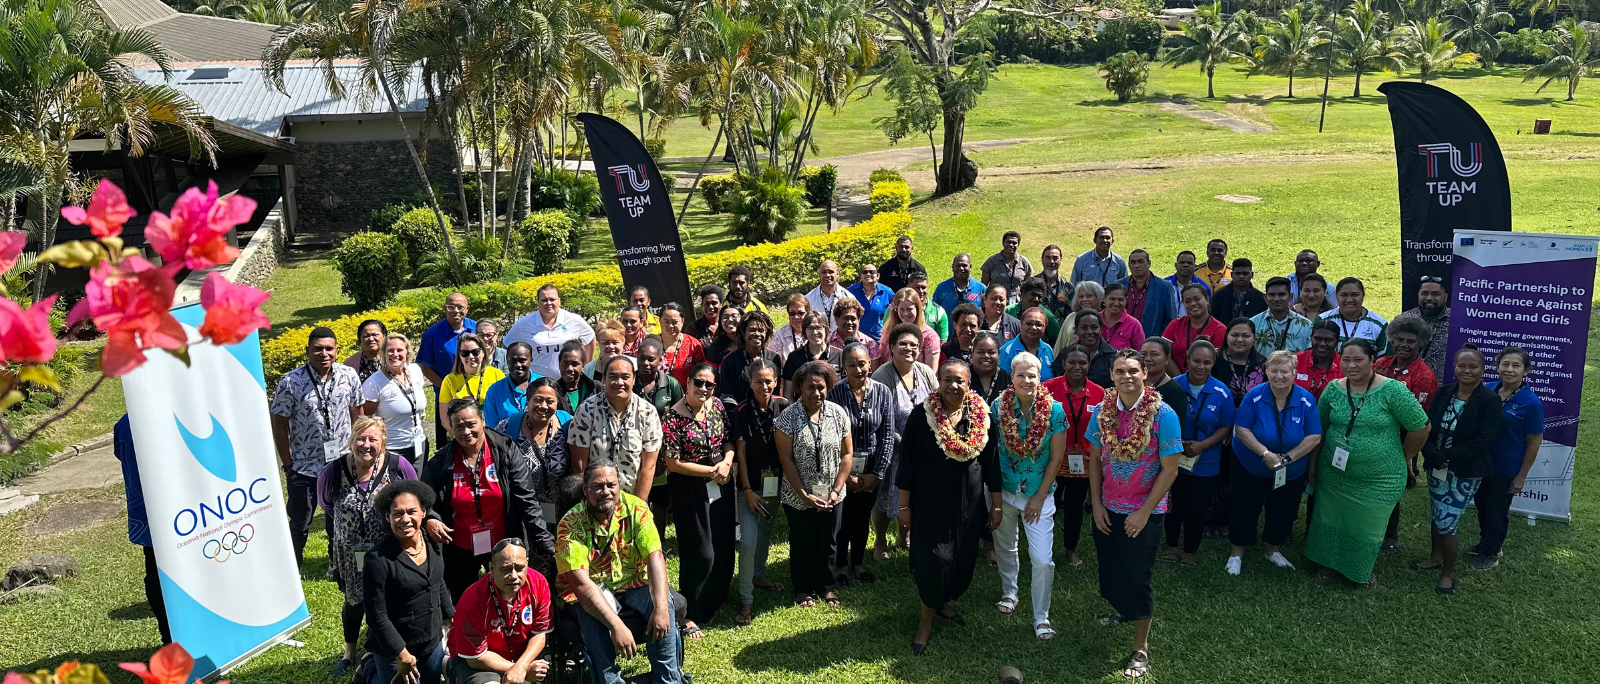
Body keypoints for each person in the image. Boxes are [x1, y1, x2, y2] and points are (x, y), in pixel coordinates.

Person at [1085, 350, 1182, 679]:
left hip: (1146, 511)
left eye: (1133, 370)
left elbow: (1170, 471)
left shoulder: (1163, 414)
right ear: (1111, 376)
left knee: (1137, 578)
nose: (1126, 376)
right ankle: (1125, 611)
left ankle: (1140, 648)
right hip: (1108, 508)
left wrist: (1143, 512)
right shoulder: (1101, 411)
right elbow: (1095, 460)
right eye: (1119, 371)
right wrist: (1096, 504)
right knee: (1111, 575)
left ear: (1145, 374)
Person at [1307, 339, 1430, 585]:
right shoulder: (1333, 389)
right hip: (1334, 474)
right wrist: (1312, 467)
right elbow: (1318, 430)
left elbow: (1421, 427)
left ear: (1373, 361)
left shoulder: (1393, 390)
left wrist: (1404, 456)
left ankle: (1356, 571)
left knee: (1366, 526)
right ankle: (1331, 565)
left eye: (1358, 360)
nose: (1351, 365)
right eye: (1346, 360)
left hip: (1379, 477)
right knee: (1332, 519)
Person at [899, 359, 999, 655]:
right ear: (938, 382)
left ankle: (941, 603)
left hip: (969, 506)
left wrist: (996, 505)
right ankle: (925, 622)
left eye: (960, 381)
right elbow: (906, 464)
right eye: (948, 379)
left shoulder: (981, 416)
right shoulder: (921, 417)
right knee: (935, 562)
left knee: (962, 563)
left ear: (970, 385)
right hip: (930, 503)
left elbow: (992, 463)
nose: (953, 385)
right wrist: (904, 508)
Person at [556, 462, 687, 684]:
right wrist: (617, 627)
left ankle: (668, 679)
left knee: (663, 602)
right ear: (586, 490)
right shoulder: (570, 524)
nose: (605, 491)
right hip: (592, 588)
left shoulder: (637, 509)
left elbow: (655, 557)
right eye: (597, 486)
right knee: (592, 613)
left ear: (619, 486)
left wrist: (661, 609)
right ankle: (611, 681)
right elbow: (581, 585)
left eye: (611, 485)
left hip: (633, 581)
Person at [422, 398, 556, 603]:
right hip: (461, 547)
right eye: (458, 427)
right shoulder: (440, 462)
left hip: (503, 541)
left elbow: (526, 500)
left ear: (483, 420)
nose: (466, 431)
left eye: (471, 424)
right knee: (465, 600)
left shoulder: (505, 451)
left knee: (508, 598)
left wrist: (544, 542)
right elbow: (425, 498)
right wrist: (430, 517)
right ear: (450, 430)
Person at [321, 417, 419, 676]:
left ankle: (391, 650)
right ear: (351, 441)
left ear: (383, 442)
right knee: (354, 603)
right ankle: (350, 653)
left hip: (390, 553)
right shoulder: (333, 471)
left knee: (393, 602)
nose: (366, 444)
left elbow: (415, 499)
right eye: (360, 439)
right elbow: (327, 506)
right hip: (350, 555)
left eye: (372, 439)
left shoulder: (399, 466)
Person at [271, 327, 364, 566]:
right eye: (318, 349)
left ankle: (337, 563)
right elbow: (279, 424)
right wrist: (288, 464)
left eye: (329, 348)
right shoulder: (290, 382)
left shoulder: (349, 376)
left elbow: (357, 415)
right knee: (301, 520)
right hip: (304, 466)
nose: (324, 353)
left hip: (341, 462)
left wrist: (359, 453)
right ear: (308, 351)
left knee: (340, 517)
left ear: (337, 350)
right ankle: (292, 564)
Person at [991, 352, 1066, 641]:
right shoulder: (998, 406)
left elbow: (1057, 456)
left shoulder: (1055, 410)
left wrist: (1039, 496)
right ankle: (1010, 592)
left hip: (1039, 493)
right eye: (1020, 374)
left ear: (1040, 377)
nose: (1026, 380)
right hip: (1005, 490)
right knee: (1006, 545)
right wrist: (995, 496)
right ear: (1012, 377)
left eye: (1031, 375)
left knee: (1042, 559)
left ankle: (1041, 616)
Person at [1418, 345, 1502, 594]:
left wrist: (1447, 458)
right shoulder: (1444, 392)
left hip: (1465, 470)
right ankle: (1436, 557)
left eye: (1473, 366)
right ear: (1454, 367)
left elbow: (1483, 441)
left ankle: (1448, 573)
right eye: (1461, 365)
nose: (1467, 370)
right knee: (1437, 512)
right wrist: (1433, 454)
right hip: (1437, 465)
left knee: (1448, 519)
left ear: (1482, 370)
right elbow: (1427, 425)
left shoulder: (1489, 400)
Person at [1228, 351, 1320, 575]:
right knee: (1244, 508)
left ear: (1294, 373)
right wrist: (1265, 454)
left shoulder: (1307, 399)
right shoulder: (1255, 396)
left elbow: (1314, 436)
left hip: (1291, 468)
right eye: (1274, 370)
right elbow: (1242, 429)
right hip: (1251, 464)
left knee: (1283, 509)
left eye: (1285, 371)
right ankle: (1236, 553)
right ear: (1266, 372)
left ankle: (1273, 549)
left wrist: (1288, 458)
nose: (1279, 376)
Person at [662, 363, 736, 634]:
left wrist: (727, 462)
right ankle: (689, 611)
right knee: (700, 550)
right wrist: (711, 471)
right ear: (688, 383)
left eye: (709, 384)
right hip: (690, 486)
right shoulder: (673, 417)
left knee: (724, 542)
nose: (704, 388)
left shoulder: (716, 406)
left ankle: (715, 597)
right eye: (699, 383)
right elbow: (672, 462)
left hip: (722, 479)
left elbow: (727, 440)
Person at [776, 361, 853, 609]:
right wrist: (804, 494)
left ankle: (827, 587)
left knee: (828, 541)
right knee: (803, 542)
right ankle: (803, 589)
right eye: (810, 387)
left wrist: (836, 490)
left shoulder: (838, 413)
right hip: (798, 495)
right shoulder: (787, 418)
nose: (816, 393)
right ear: (800, 387)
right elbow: (786, 461)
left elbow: (847, 455)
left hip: (832, 494)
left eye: (821, 387)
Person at [365, 480, 452, 684]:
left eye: (412, 511)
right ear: (388, 517)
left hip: (431, 641)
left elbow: (438, 583)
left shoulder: (433, 543)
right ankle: (369, 669)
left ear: (423, 512)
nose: (405, 519)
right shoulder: (377, 559)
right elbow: (376, 616)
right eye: (398, 513)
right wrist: (400, 653)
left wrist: (452, 617)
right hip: (396, 648)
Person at [828, 343, 895, 588]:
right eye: (852, 365)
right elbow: (830, 438)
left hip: (872, 468)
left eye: (862, 363)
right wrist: (845, 476)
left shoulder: (883, 392)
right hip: (841, 469)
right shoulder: (834, 393)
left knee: (863, 516)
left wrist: (876, 474)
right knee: (843, 518)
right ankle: (841, 565)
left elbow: (888, 436)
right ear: (843, 367)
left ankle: (858, 563)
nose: (858, 369)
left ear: (870, 363)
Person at [871, 324, 940, 561]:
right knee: (884, 497)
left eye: (914, 345)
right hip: (890, 446)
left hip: (922, 448)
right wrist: (907, 446)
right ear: (891, 347)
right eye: (903, 343)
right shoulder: (882, 376)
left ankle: (904, 537)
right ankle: (880, 541)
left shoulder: (925, 372)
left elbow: (937, 406)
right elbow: (881, 419)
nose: (908, 348)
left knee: (912, 495)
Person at [444, 538, 553, 684]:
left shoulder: (539, 583)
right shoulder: (472, 600)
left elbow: (539, 633)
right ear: (491, 568)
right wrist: (522, 670)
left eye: (520, 568)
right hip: (478, 662)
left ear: (527, 563)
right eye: (506, 569)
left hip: (521, 657)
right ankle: (451, 667)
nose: (514, 576)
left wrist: (521, 666)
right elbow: (476, 659)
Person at [1165, 340, 1234, 567]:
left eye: (1207, 362)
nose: (1201, 366)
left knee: (1196, 508)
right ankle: (1172, 547)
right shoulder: (1173, 387)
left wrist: (1203, 445)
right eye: (1196, 361)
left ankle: (1189, 552)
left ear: (1213, 363)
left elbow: (1227, 426)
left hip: (1206, 460)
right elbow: (1161, 421)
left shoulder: (1221, 392)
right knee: (1174, 506)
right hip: (1175, 458)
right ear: (1187, 359)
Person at [1474, 346, 1543, 570]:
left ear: (1526, 371)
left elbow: (1534, 442)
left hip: (1506, 466)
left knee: (1497, 509)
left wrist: (1521, 476)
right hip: (1482, 461)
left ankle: (1491, 552)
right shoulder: (1488, 389)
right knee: (1481, 504)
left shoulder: (1530, 403)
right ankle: (1486, 542)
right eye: (1505, 364)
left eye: (1516, 365)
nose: (1510, 370)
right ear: (1497, 367)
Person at [733, 359, 789, 625]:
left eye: (769, 381)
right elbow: (740, 456)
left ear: (776, 381)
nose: (764, 386)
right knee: (748, 541)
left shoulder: (783, 406)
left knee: (766, 530)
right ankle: (746, 599)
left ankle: (758, 573)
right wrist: (746, 490)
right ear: (750, 382)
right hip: (750, 486)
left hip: (775, 483)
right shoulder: (743, 411)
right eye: (758, 381)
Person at [1041, 346, 1105, 568]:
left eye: (1083, 363)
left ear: (1089, 364)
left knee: (1074, 507)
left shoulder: (1099, 393)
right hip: (1053, 461)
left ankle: (1070, 550)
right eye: (1072, 362)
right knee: (1050, 506)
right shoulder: (1047, 389)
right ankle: (1044, 550)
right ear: (1063, 363)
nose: (1077, 367)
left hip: (1084, 463)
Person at [568, 356, 665, 500]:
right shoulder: (587, 410)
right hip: (596, 500)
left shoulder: (647, 412)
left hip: (631, 498)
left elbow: (648, 467)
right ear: (604, 380)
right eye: (613, 377)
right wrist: (589, 504)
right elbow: (579, 467)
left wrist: (637, 509)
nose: (619, 382)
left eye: (625, 377)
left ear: (634, 379)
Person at [112, 416, 171, 646]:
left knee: (155, 575)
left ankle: (168, 637)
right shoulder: (168, 415)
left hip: (146, 513)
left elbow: (120, 453)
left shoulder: (124, 423)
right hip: (179, 514)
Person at [504, 377, 572, 525]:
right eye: (538, 400)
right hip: (520, 509)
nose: (543, 406)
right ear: (528, 401)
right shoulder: (508, 427)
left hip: (561, 510)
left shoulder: (568, 424)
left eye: (550, 401)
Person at [363, 334, 433, 472]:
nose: (395, 354)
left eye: (400, 350)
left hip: (419, 443)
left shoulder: (415, 371)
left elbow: (417, 400)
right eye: (390, 350)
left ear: (407, 352)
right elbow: (364, 418)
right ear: (383, 353)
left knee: (417, 488)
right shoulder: (374, 383)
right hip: (393, 449)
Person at [504, 285, 597, 380]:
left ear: (559, 301)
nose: (548, 303)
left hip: (568, 381)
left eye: (552, 299)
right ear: (538, 302)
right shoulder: (524, 324)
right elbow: (507, 344)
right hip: (536, 381)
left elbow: (590, 338)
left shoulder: (574, 320)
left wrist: (585, 367)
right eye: (544, 300)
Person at [439, 333, 506, 432]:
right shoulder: (450, 380)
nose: (470, 356)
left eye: (475, 352)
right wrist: (458, 436)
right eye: (465, 353)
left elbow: (505, 410)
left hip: (492, 435)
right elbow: (445, 419)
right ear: (459, 356)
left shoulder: (497, 375)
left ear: (483, 352)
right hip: (462, 436)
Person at [718, 311, 783, 408]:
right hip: (740, 415)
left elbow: (776, 392)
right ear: (743, 332)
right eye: (752, 330)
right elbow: (727, 396)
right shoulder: (729, 361)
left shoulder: (774, 358)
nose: (756, 334)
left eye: (761, 330)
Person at [1392, 275, 1452, 378]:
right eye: (1424, 293)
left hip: (1443, 388)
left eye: (1435, 294)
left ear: (1445, 297)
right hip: (1407, 384)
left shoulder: (1455, 322)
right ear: (1418, 295)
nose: (1429, 298)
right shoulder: (1402, 320)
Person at [1374, 315, 1440, 408]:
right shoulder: (1380, 364)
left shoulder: (1425, 377)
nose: (1404, 345)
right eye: (1400, 340)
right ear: (1392, 341)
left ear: (1420, 344)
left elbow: (1420, 412)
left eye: (1411, 341)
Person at [1163, 283, 1228, 376]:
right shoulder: (1175, 324)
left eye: (1197, 299)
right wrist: (1181, 381)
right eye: (1187, 301)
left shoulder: (1220, 329)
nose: (1193, 304)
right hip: (1175, 379)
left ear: (1207, 300)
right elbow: (1164, 355)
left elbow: (1215, 363)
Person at [419, 293, 477, 389]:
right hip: (448, 395)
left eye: (460, 307)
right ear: (444, 308)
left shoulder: (477, 329)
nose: (456, 311)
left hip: (477, 390)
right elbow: (426, 368)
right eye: (451, 307)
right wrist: (447, 388)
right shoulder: (432, 335)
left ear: (467, 309)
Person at [1121, 249, 1180, 339]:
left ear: (1149, 263)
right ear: (1129, 265)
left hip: (1150, 340)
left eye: (1141, 262)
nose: (1137, 266)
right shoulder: (1119, 285)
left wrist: (1159, 339)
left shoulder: (1164, 287)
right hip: (1122, 337)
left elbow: (1170, 318)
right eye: (1133, 262)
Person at [879, 288, 942, 369]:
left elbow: (931, 372)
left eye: (910, 309)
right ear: (896, 309)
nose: (905, 313)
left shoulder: (930, 337)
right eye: (901, 309)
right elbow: (881, 361)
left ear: (917, 309)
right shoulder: (888, 331)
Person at [783, 312, 841, 399]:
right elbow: (788, 395)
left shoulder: (840, 355)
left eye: (818, 327)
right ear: (804, 331)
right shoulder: (794, 357)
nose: (814, 332)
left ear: (826, 329)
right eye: (810, 328)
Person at [1320, 277, 1388, 349]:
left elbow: (1386, 358)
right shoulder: (1323, 320)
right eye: (1344, 295)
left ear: (1363, 296)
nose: (1349, 300)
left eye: (1355, 295)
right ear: (1336, 296)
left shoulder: (1379, 325)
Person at [1251, 277, 1313, 356]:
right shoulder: (1253, 323)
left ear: (1290, 297)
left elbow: (1309, 356)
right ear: (1265, 298)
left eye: (1281, 295)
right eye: (1272, 295)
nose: (1276, 299)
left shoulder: (1306, 325)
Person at [483, 342, 535, 432]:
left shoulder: (544, 385)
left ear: (531, 360)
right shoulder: (495, 391)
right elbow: (492, 429)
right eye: (513, 360)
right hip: (506, 444)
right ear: (507, 361)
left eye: (522, 360)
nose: (518, 364)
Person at [1213, 318, 1267, 404]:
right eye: (1235, 335)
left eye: (1246, 336)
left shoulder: (1263, 365)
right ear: (1227, 335)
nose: (1239, 340)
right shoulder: (1213, 359)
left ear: (1254, 338)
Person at [1060, 310, 1116, 388]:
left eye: (1094, 327)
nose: (1089, 331)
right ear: (1076, 330)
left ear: (1101, 329)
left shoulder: (1113, 356)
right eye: (1084, 328)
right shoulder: (1065, 354)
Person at [999, 307, 1055, 381]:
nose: (1034, 328)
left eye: (1039, 324)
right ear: (1021, 323)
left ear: (1045, 327)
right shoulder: (1007, 350)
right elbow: (1002, 381)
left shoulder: (1048, 349)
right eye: (1029, 323)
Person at [657, 303, 706, 386]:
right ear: (659, 321)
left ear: (682, 321)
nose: (670, 325)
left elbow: (701, 373)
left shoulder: (693, 344)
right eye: (666, 322)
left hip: (687, 396)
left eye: (674, 322)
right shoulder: (651, 343)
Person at [1139, 337, 1188, 419]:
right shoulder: (1132, 384)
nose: (1147, 359)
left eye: (1154, 354)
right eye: (1143, 354)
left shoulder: (1175, 392)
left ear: (1167, 359)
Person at [635, 338, 685, 418]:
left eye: (651, 359)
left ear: (660, 360)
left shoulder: (671, 385)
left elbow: (681, 415)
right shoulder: (629, 382)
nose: (645, 363)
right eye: (642, 358)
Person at [1294, 321, 1344, 400]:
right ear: (1311, 337)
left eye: (1328, 340)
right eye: (1317, 339)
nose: (1322, 344)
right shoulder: (1294, 361)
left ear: (1337, 341)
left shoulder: (1344, 365)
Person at [1005, 277, 1062, 344]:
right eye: (1033, 295)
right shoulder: (1009, 311)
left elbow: (1057, 340)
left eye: (1039, 296)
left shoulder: (1047, 316)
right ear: (1023, 293)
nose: (1036, 299)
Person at [981, 230, 1033, 304]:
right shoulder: (992, 261)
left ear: (1018, 245)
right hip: (996, 303)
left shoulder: (1024, 262)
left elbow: (1027, 286)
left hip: (1016, 305)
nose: (1011, 245)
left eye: (1014, 243)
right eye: (1008, 242)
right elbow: (983, 286)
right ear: (1003, 243)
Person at [1209, 258, 1266, 322]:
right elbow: (1213, 320)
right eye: (1238, 273)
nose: (1241, 276)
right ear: (1231, 275)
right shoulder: (1219, 296)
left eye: (1245, 273)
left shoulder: (1260, 298)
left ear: (1252, 275)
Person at [1052, 281, 1104, 351]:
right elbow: (1060, 344)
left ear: (1099, 297)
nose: (1084, 299)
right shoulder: (1071, 317)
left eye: (1089, 296)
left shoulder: (1105, 317)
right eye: (1081, 296)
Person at [848, 263, 894, 340]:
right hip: (856, 339)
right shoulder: (850, 292)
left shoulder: (887, 292)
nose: (868, 274)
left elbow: (895, 313)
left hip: (879, 340)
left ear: (878, 275)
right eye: (865, 272)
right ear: (861, 276)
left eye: (872, 272)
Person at [552, 340, 599, 415]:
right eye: (565, 363)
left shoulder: (595, 388)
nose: (569, 368)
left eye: (575, 364)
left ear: (583, 366)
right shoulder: (553, 391)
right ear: (559, 364)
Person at [1099, 283, 1146, 350]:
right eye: (1112, 299)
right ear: (1104, 299)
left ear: (1126, 301)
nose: (1116, 303)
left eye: (1120, 300)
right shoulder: (1093, 319)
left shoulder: (1134, 325)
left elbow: (1140, 353)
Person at [969, 332, 1012, 404]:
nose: (986, 356)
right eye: (980, 352)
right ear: (972, 354)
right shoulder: (964, 378)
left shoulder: (1009, 380)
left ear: (998, 354)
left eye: (991, 352)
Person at [908, 271, 950, 342]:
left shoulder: (939, 312)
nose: (921, 291)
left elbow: (942, 342)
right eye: (917, 287)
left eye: (923, 287)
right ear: (908, 288)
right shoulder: (896, 309)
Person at [807, 260, 846, 332]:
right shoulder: (808, 299)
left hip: (841, 340)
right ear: (819, 274)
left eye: (831, 272)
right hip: (816, 339)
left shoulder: (848, 297)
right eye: (824, 272)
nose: (827, 275)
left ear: (837, 274)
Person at [1037, 245, 1073, 320]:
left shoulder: (1068, 286)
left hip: (1062, 330)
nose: (1051, 261)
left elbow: (1072, 314)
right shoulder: (1032, 285)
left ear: (1060, 260)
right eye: (1047, 258)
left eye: (1055, 258)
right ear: (1042, 260)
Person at [768, 294, 810, 358]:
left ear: (808, 313)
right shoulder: (779, 335)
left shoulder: (815, 331)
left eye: (800, 313)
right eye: (792, 313)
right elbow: (774, 363)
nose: (796, 317)